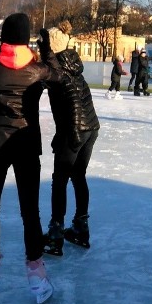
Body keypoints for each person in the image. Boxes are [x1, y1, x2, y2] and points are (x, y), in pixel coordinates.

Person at [0, 13, 61, 304]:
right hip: (27, 145)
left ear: (3, 36)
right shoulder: (37, 69)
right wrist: (46, 50)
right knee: (30, 210)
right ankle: (37, 275)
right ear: (28, 37)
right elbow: (58, 75)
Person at [41, 27, 100, 257]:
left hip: (75, 130)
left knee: (60, 181)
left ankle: (56, 236)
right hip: (90, 128)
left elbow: (73, 103)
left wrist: (69, 135)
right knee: (78, 176)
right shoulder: (73, 66)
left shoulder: (58, 71)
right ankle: (80, 228)